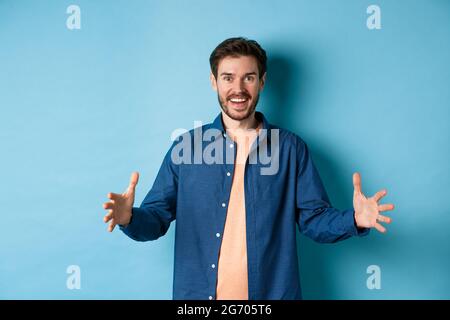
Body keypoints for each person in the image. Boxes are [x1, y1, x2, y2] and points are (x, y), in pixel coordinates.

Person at [102, 37, 394, 300]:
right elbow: (156, 217)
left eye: (248, 78)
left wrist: (355, 219)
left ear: (262, 82)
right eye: (228, 77)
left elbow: (314, 220)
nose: (238, 89)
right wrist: (130, 217)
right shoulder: (186, 148)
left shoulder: (291, 149)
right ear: (214, 82)